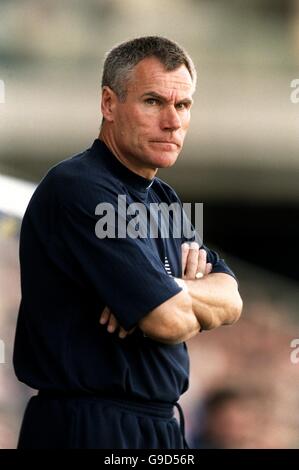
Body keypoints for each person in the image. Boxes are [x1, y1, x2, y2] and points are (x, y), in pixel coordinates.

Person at [13, 36, 243, 449]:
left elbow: (232, 300)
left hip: (160, 425)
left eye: (183, 105)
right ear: (108, 104)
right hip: (90, 426)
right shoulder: (80, 188)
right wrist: (168, 303)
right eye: (154, 102)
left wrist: (164, 289)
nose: (172, 121)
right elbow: (169, 322)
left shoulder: (163, 197)